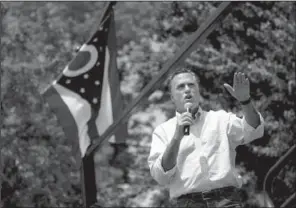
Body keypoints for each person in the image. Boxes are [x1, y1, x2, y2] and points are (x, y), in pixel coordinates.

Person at [148, 67, 264, 207]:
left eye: (191, 85)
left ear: (198, 90)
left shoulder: (220, 119)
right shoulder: (163, 131)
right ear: (172, 96)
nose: (187, 89)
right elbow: (161, 176)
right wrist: (176, 138)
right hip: (188, 203)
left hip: (226, 200)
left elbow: (254, 130)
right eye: (180, 87)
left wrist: (245, 101)